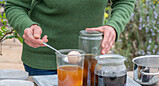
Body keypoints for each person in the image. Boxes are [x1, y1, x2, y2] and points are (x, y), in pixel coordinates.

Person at [5, 0, 136, 75]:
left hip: (90, 62)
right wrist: (27, 26)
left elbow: (124, 1)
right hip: (44, 62)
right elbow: (15, 5)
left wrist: (114, 26)